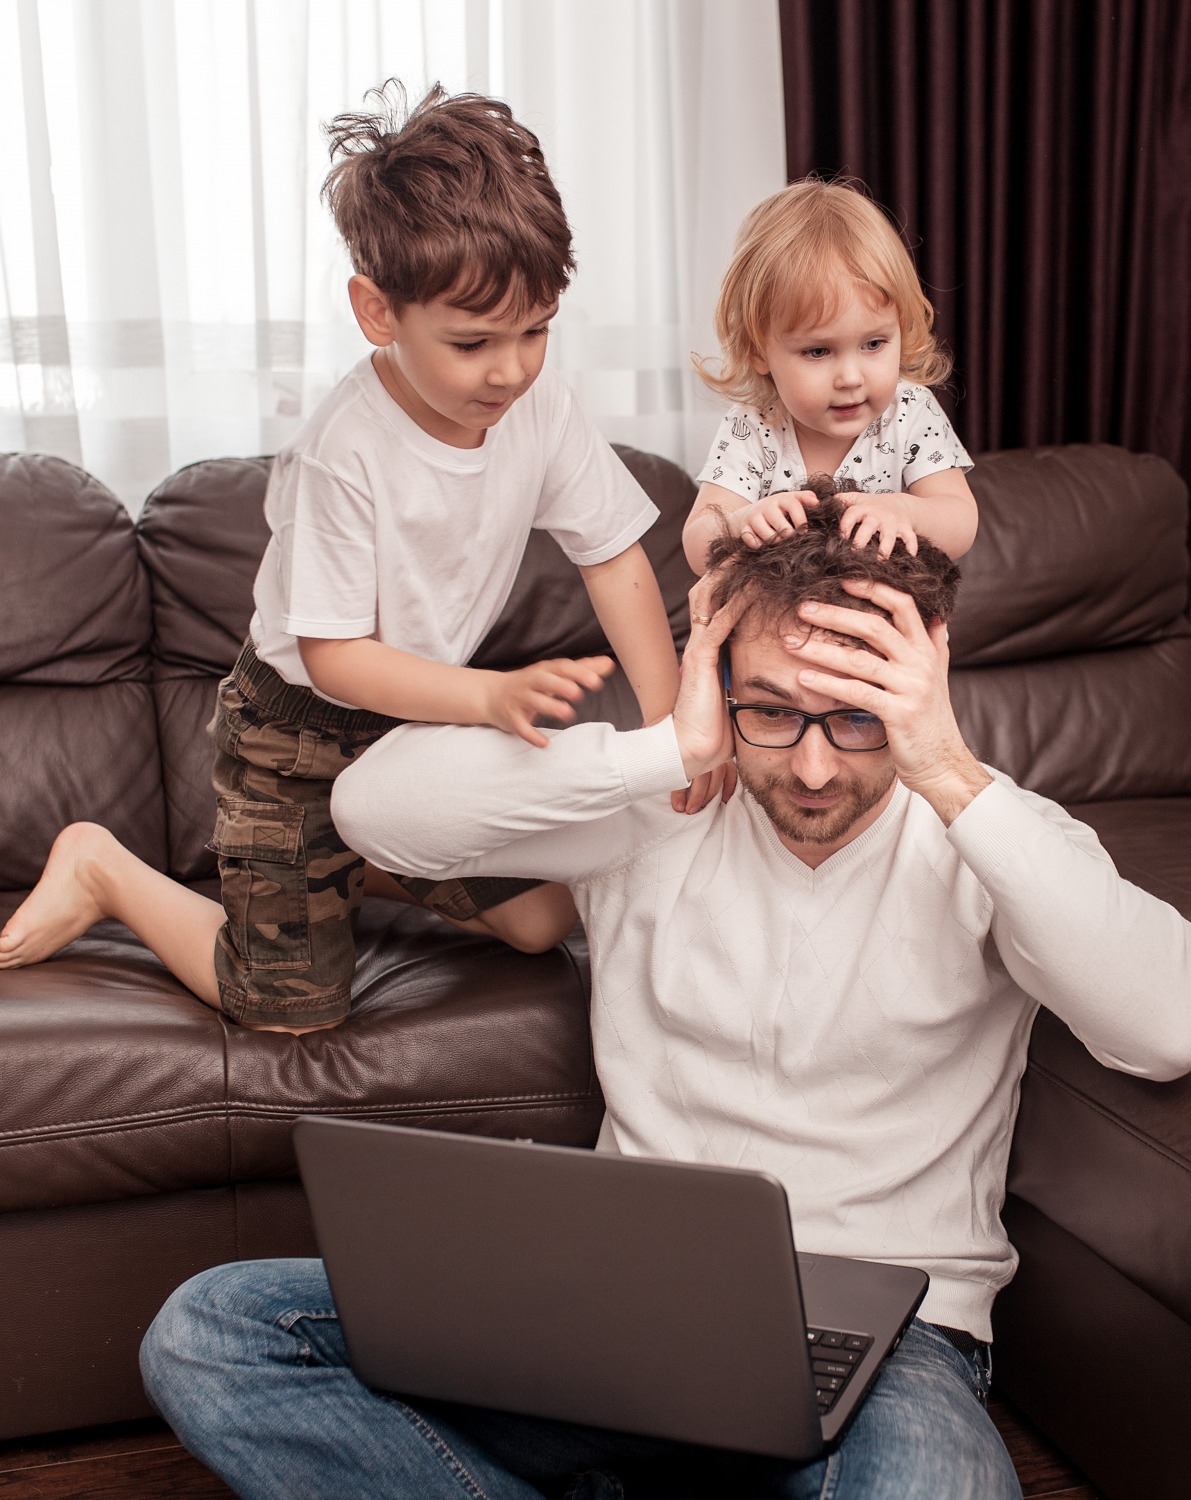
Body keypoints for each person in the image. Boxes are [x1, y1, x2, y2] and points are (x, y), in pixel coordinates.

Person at [139, 484, 1191, 1498]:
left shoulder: (991, 836)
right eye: (771, 713)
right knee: (214, 1332)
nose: (816, 769)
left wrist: (949, 769)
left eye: (857, 720)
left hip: (892, 1339)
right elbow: (373, 808)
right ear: (717, 685)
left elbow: (1166, 1024)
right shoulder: (661, 801)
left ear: (923, 688)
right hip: (618, 1313)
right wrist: (669, 748)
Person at [0, 81, 680, 1034]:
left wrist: (671, 727)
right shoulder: (342, 453)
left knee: (540, 923)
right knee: (287, 1009)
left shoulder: (541, 405)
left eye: (536, 331)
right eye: (473, 341)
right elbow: (336, 659)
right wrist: (487, 698)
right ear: (377, 312)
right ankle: (105, 865)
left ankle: (351, 862)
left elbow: (612, 556)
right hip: (299, 732)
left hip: (416, 725)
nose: (512, 369)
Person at [683, 176, 979, 573]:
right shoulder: (753, 425)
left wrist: (903, 510)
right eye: (818, 351)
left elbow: (961, 521)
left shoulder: (909, 411)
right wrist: (741, 522)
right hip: (780, 625)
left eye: (874, 344)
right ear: (757, 350)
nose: (851, 377)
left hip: (884, 621)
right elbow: (698, 542)